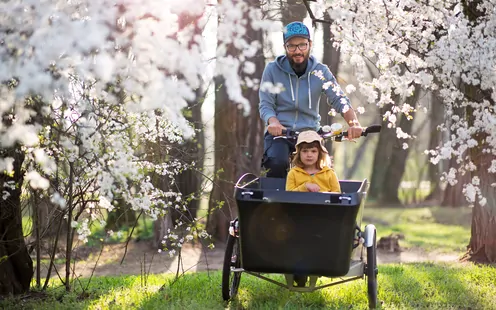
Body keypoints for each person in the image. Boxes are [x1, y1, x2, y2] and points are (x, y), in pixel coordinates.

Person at [259, 21, 363, 178]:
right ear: (285, 47)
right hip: (281, 134)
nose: (297, 51)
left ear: (310, 44)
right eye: (292, 46)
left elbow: (339, 99)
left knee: (320, 172)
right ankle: (277, 201)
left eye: (302, 45)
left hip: (310, 134)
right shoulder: (272, 70)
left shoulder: (321, 71)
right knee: (277, 163)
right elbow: (266, 104)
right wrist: (273, 122)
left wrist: (354, 123)